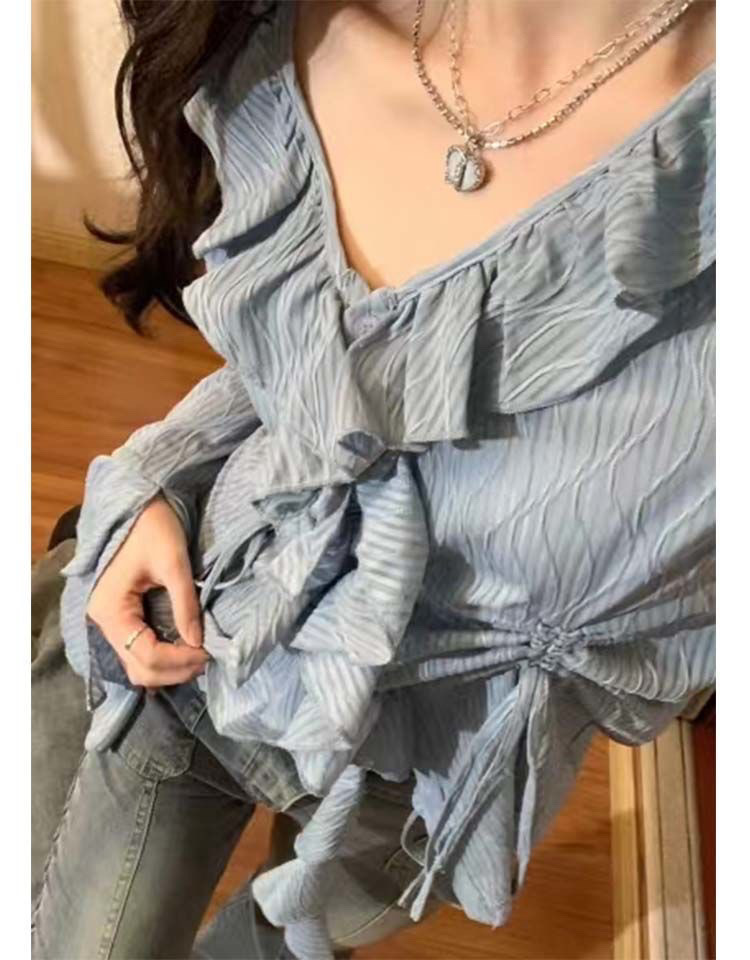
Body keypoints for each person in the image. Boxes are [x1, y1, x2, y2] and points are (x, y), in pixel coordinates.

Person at [31, 1, 716, 958]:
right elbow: (313, 368)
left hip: (438, 772)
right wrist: (158, 471)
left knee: (281, 945)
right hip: (211, 644)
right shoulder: (291, 39)